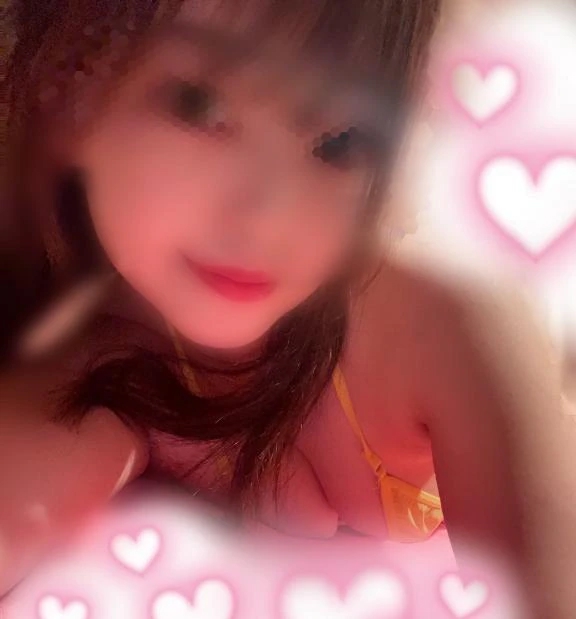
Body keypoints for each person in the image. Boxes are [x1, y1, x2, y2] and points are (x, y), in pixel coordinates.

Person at [1, 1, 575, 615]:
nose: (267, 220)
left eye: (343, 142)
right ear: (72, 89)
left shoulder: (445, 318)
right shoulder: (87, 341)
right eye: (200, 105)